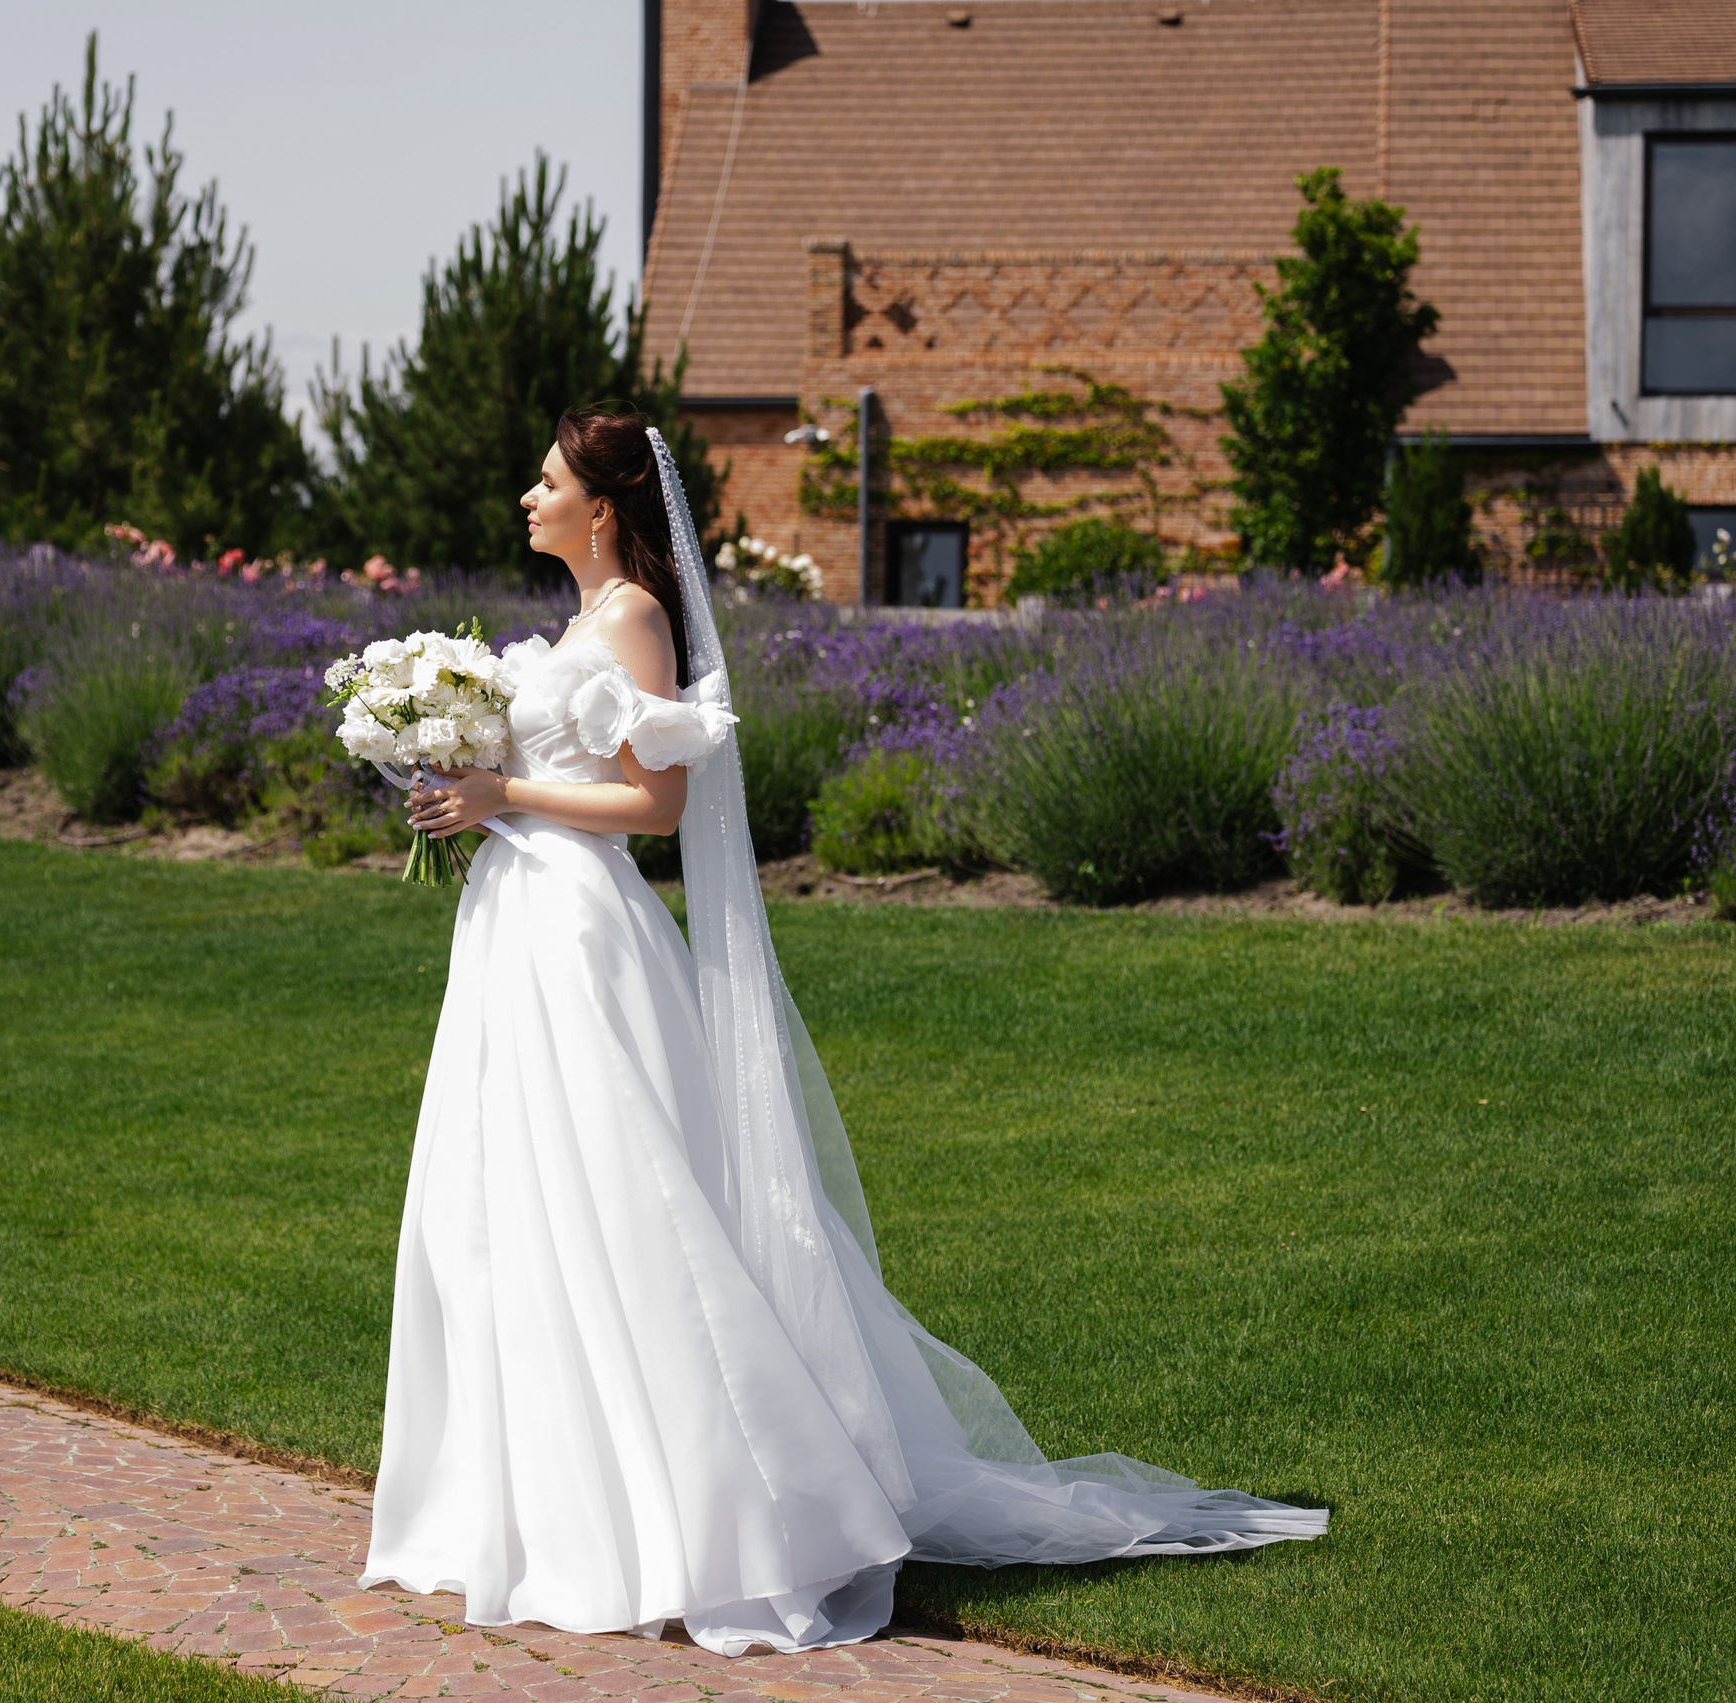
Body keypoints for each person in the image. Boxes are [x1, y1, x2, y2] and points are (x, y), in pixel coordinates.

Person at [361, 407, 1328, 1655]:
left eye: (545, 481)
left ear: (603, 507)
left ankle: (716, 1514)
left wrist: (503, 789)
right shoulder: (563, 631)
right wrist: (461, 786)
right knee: (515, 1205)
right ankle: (531, 1502)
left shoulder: (634, 621)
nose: (525, 495)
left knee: (621, 1197)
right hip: (516, 926)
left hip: (581, 935)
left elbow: (655, 802)